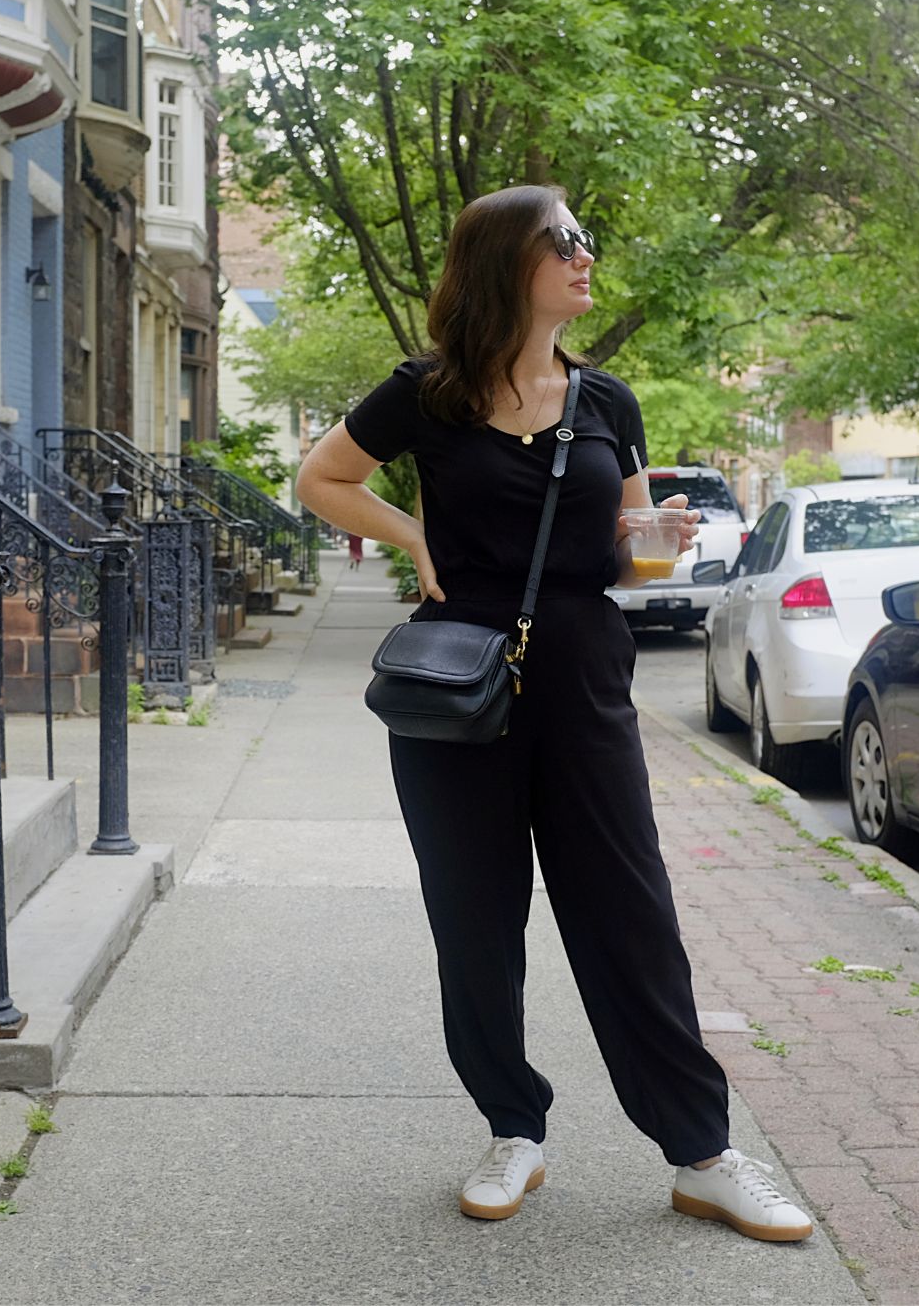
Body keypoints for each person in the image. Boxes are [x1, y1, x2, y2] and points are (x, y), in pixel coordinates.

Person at [295, 185, 815, 1242]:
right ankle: (511, 1127)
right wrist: (413, 539)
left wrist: (652, 533)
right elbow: (322, 477)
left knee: (628, 916)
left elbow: (623, 556)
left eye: (583, 241)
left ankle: (701, 1152)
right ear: (505, 262)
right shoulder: (427, 393)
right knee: (474, 920)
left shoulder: (605, 403)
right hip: (458, 693)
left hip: (582, 686)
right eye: (563, 242)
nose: (585, 257)